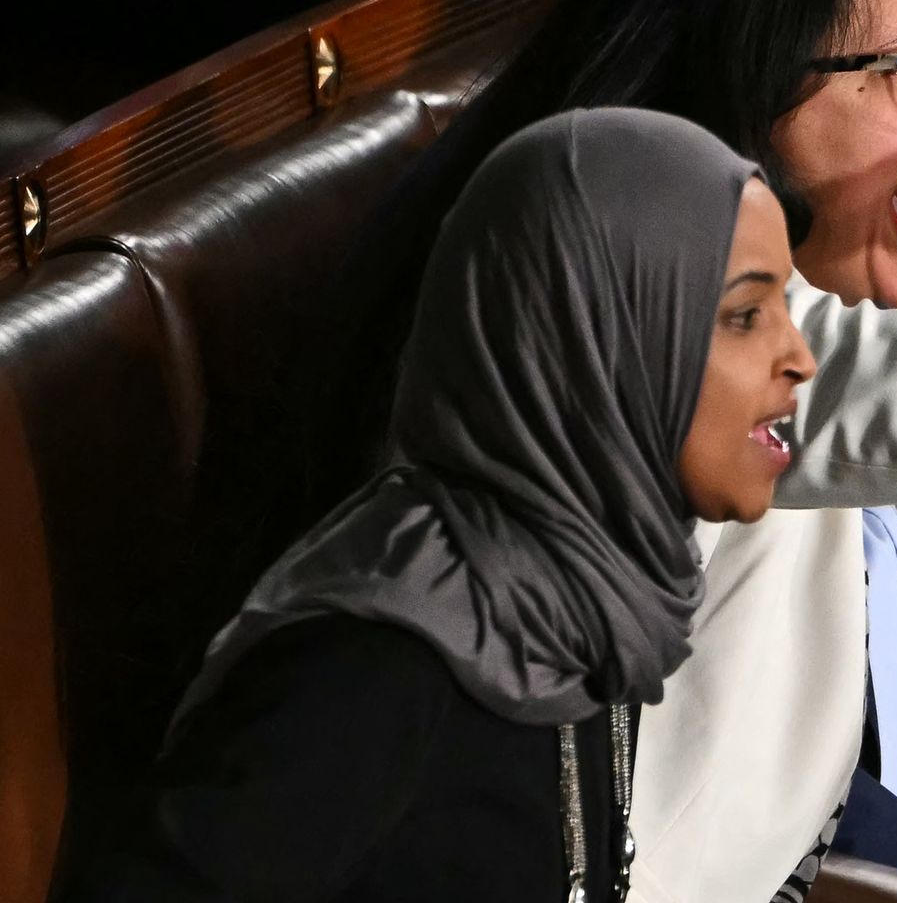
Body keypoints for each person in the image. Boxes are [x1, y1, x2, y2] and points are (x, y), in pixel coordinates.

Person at [77, 107, 818, 900]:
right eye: (744, 316)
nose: (799, 358)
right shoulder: (376, 674)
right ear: (600, 344)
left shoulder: (589, 597)